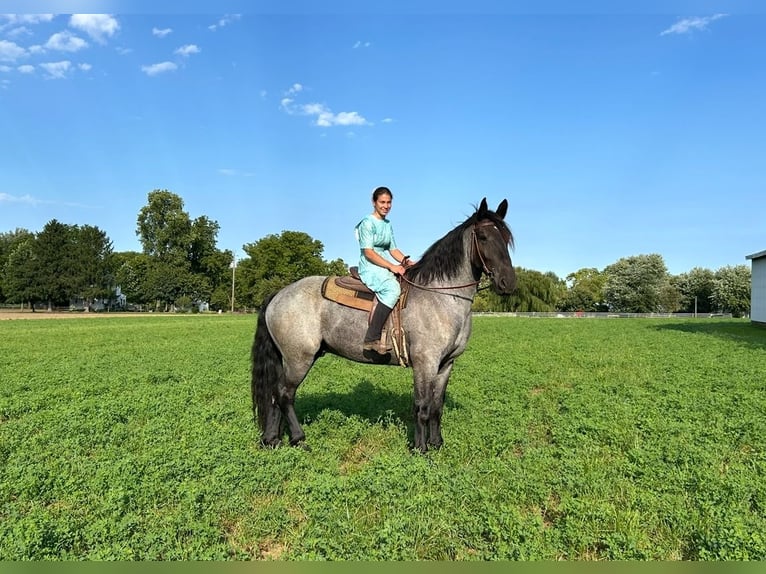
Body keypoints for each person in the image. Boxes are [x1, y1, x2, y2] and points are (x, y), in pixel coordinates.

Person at [354, 186, 415, 352]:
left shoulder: (387, 224)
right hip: (370, 264)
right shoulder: (367, 223)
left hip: (384, 261)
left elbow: (393, 249)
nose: (386, 206)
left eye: (389, 202)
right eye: (382, 202)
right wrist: (392, 266)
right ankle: (371, 338)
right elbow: (368, 252)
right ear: (374, 202)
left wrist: (406, 262)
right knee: (392, 289)